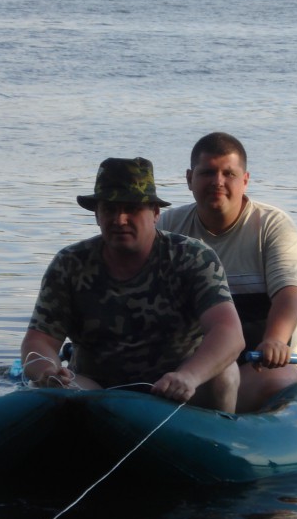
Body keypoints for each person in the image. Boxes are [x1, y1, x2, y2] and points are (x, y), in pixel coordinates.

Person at [20, 157, 245, 413]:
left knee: (225, 374)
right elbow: (38, 341)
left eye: (132, 209)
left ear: (155, 213)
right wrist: (47, 370)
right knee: (56, 390)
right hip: (97, 389)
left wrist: (189, 376)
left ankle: (217, 435)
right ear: (97, 215)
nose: (120, 220)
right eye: (110, 209)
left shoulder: (193, 258)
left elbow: (229, 333)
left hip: (177, 388)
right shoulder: (69, 263)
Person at [158, 132, 297, 413]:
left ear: (245, 180)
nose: (218, 182)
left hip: (256, 364)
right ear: (189, 179)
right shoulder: (168, 226)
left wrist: (275, 340)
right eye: (207, 173)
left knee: (282, 379)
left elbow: (289, 293)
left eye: (229, 173)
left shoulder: (273, 226)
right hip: (190, 365)